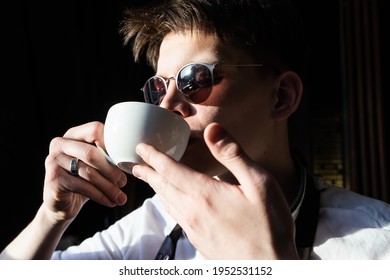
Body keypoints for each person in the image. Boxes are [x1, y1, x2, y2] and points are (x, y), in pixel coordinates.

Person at [1, 0, 389, 260]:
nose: (168, 105)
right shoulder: (151, 225)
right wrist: (52, 218)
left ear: (282, 97)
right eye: (159, 87)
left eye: (194, 79)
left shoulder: (376, 239)